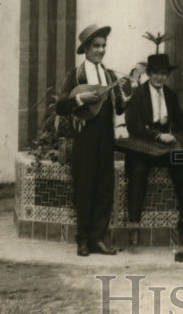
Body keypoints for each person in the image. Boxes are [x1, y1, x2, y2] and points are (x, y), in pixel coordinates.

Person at [55, 23, 129, 257]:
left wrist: (130, 93)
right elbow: (60, 106)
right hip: (85, 137)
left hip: (105, 137)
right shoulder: (75, 75)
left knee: (104, 187)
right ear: (86, 48)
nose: (101, 50)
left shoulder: (109, 75)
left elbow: (118, 108)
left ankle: (98, 238)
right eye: (96, 46)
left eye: (104, 45)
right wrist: (81, 99)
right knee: (85, 186)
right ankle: (83, 240)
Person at [124, 53, 183, 247]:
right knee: (137, 172)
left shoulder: (169, 93)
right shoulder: (138, 94)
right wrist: (157, 136)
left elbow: (180, 116)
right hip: (143, 145)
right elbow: (133, 125)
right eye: (156, 73)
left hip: (165, 148)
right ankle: (133, 225)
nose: (160, 77)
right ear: (149, 74)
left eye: (164, 74)